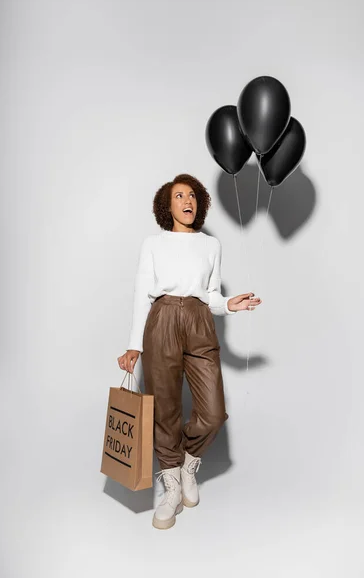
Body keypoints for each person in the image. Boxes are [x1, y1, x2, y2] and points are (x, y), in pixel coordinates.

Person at [117, 174, 262, 530]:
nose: (187, 200)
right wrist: (134, 345)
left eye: (193, 195)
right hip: (162, 319)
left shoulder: (211, 245)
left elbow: (210, 295)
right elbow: (142, 294)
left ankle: (187, 462)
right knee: (164, 407)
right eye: (179, 195)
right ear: (167, 207)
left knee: (213, 412)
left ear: (199, 203)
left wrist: (230, 303)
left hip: (198, 321)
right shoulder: (153, 243)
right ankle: (170, 487)